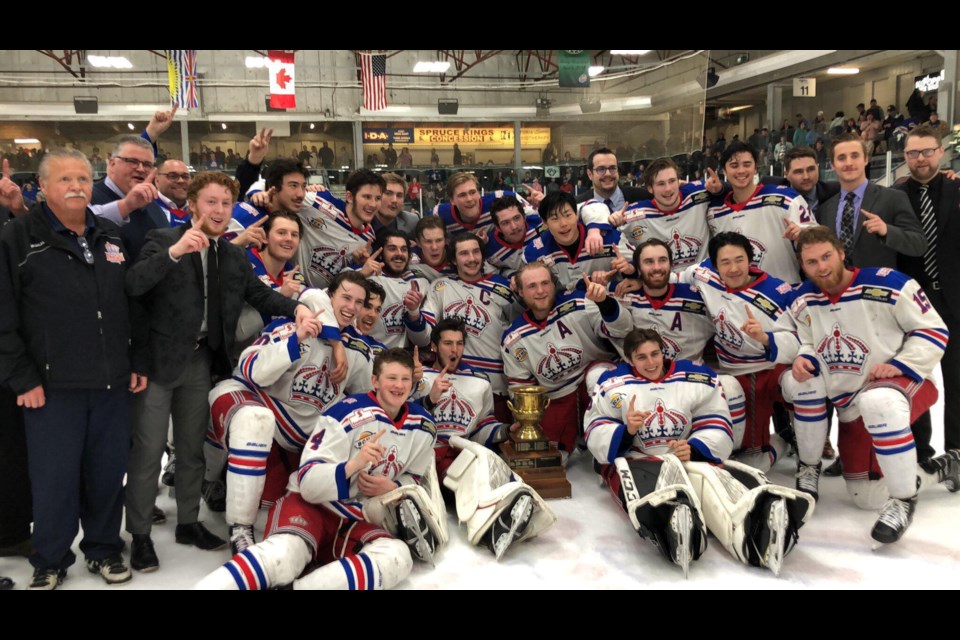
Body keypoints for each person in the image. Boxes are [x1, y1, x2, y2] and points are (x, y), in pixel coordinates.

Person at [123, 172, 313, 572]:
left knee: (192, 449)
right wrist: (174, 252)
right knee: (147, 452)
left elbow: (257, 294)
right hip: (159, 362)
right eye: (211, 202)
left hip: (200, 361)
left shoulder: (231, 254)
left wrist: (294, 307)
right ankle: (139, 535)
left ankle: (188, 523)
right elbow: (135, 286)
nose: (219, 211)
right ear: (193, 205)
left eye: (226, 204)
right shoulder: (162, 239)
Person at [0, 148, 148, 589]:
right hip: (50, 387)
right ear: (41, 187)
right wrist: (22, 376)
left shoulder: (111, 236)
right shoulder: (17, 239)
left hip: (111, 382)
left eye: (84, 179)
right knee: (54, 479)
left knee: (106, 474)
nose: (77, 187)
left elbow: (132, 304)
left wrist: (137, 359)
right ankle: (50, 558)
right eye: (65, 179)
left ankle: (103, 549)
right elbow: (3, 315)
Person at [773, 226, 958, 544]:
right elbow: (802, 339)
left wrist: (900, 365)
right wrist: (803, 357)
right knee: (867, 496)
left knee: (880, 402)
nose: (822, 267)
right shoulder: (803, 300)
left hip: (901, 381)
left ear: (841, 253)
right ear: (802, 265)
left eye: (827, 257)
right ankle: (942, 467)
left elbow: (933, 330)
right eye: (812, 262)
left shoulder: (889, 283)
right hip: (851, 401)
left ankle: (903, 501)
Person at [196, 349, 438, 590]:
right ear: (375, 381)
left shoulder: (424, 427)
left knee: (397, 557)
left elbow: (416, 477)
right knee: (284, 555)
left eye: (405, 379)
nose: (399, 386)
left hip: (356, 517)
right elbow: (309, 483)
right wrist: (352, 466)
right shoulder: (344, 413)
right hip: (311, 505)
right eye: (391, 378)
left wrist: (393, 486)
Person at [584, 328, 813, 576]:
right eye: (641, 357)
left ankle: (757, 518)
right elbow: (595, 430)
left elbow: (716, 420)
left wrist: (694, 447)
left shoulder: (695, 377)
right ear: (629, 359)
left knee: (717, 482)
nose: (651, 363)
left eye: (655, 354)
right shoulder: (611, 384)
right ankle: (668, 520)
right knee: (649, 486)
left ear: (663, 352)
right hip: (637, 459)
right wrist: (627, 431)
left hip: (687, 457)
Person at [208, 272, 379, 555]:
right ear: (330, 296)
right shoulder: (293, 324)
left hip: (291, 434)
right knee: (255, 422)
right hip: (249, 399)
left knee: (271, 508)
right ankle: (239, 527)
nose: (352, 307)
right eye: (346, 297)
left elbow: (366, 403)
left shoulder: (359, 352)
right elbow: (252, 370)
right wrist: (296, 340)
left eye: (359, 302)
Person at [412, 319, 555, 558]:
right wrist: (427, 396)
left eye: (459, 343)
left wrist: (507, 431)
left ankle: (503, 513)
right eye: (447, 343)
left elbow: (482, 424)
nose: (454, 349)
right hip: (423, 453)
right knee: (445, 488)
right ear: (434, 347)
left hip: (458, 453)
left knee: (476, 474)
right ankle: (490, 523)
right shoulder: (416, 376)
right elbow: (398, 417)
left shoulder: (480, 379)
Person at [501, 261, 631, 454]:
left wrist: (604, 302)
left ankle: (611, 444)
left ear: (554, 284)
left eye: (545, 283)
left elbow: (623, 329)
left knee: (597, 376)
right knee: (551, 458)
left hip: (598, 383)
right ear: (520, 291)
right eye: (532, 286)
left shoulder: (580, 302)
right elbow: (520, 390)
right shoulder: (513, 339)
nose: (540, 291)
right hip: (558, 399)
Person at [894, 125, 960, 459]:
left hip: (953, 300)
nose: (920, 159)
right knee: (914, 377)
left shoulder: (956, 187)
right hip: (912, 303)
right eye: (912, 153)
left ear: (940, 151)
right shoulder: (895, 193)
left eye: (926, 151)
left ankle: (956, 451)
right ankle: (919, 448)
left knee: (957, 380)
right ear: (904, 158)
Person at [407, 233, 520, 421]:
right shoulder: (441, 287)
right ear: (453, 258)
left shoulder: (503, 288)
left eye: (476, 252)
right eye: (464, 254)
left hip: (497, 388)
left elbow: (520, 334)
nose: (472, 259)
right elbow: (424, 338)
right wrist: (413, 312)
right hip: (454, 384)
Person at [582, 157, 722, 274]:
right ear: (650, 188)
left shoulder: (699, 193)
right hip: (661, 287)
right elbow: (590, 215)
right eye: (661, 184)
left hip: (704, 283)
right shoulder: (633, 214)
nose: (668, 189)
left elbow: (732, 194)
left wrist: (720, 189)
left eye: (672, 181)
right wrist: (607, 223)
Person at [706, 141, 813, 285]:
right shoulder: (715, 212)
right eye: (734, 166)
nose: (741, 171)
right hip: (740, 299)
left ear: (756, 168)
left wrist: (803, 234)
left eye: (747, 164)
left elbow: (818, 237)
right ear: (724, 171)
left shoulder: (786, 198)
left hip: (785, 294)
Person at [818, 133, 926, 270]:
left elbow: (919, 244)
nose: (849, 163)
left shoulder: (893, 198)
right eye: (841, 158)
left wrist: (887, 230)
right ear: (833, 165)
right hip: (837, 289)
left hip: (878, 288)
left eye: (855, 156)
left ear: (866, 159)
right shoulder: (825, 209)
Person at [524, 190, 621, 292]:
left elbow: (634, 269)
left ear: (577, 214)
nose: (563, 224)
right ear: (544, 223)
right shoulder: (535, 252)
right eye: (554, 218)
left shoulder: (609, 238)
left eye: (568, 215)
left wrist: (629, 270)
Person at [365, 228, 428, 349]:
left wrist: (414, 312)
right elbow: (335, 290)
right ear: (381, 253)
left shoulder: (421, 284)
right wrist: (361, 274)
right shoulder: (366, 277)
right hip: (367, 354)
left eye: (404, 249)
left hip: (401, 359)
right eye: (392, 249)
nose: (399, 253)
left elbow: (422, 340)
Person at [485, 195, 543, 276]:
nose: (514, 227)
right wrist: (510, 274)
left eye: (516, 218)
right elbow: (493, 271)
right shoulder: (489, 249)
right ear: (497, 227)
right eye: (505, 223)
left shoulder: (541, 223)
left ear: (524, 216)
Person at [575, 147, 650, 209]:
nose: (608, 174)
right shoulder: (577, 205)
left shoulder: (643, 198)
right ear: (590, 174)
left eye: (612, 168)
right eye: (601, 169)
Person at [409, 216, 454, 282]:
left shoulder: (456, 258)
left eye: (439, 240)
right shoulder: (407, 258)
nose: (434, 247)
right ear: (418, 243)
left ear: (446, 240)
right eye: (428, 241)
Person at [374, 173, 419, 239]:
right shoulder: (361, 222)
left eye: (399, 195)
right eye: (388, 193)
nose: (394, 200)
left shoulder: (412, 222)